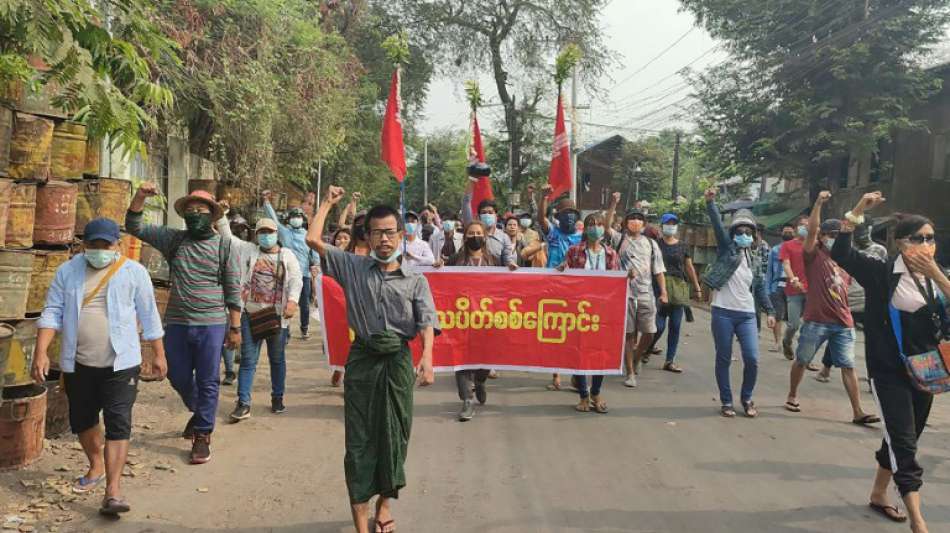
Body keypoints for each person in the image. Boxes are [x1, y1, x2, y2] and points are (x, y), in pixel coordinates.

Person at [306, 186, 437, 533]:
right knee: (360, 441)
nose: (384, 239)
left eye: (390, 232)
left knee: (396, 437)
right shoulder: (352, 266)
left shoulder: (415, 280)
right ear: (367, 236)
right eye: (377, 232)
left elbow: (426, 322)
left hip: (397, 363)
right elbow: (313, 239)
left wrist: (427, 359)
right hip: (363, 360)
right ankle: (361, 524)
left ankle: (384, 504)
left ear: (400, 236)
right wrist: (328, 203)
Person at [831, 191, 949, 533]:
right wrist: (857, 211)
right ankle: (919, 522)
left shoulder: (938, 279)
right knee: (904, 444)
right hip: (888, 373)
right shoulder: (880, 273)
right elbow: (842, 252)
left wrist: (938, 275)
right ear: (900, 244)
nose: (927, 245)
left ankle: (878, 493)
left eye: (931, 239)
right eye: (919, 239)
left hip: (926, 371)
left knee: (902, 435)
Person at [31, 218, 166, 516]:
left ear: (117, 245)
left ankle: (113, 491)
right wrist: (40, 352)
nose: (100, 250)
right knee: (82, 419)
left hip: (122, 363)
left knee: (119, 422)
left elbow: (149, 314)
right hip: (78, 363)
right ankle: (96, 464)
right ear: (83, 245)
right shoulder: (68, 271)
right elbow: (52, 311)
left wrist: (158, 354)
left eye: (106, 245)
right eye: (94, 245)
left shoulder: (134, 272)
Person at [126, 183, 241, 464]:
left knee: (208, 379)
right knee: (175, 374)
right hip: (177, 322)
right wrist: (140, 197)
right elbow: (135, 227)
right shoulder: (174, 240)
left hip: (212, 323)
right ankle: (201, 409)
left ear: (213, 215)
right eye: (190, 210)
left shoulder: (225, 245)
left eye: (201, 210)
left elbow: (233, 286)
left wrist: (235, 327)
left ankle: (202, 434)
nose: (195, 214)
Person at [783, 192, 879, 425]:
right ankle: (792, 395)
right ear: (822, 237)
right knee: (802, 360)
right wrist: (817, 204)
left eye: (838, 235)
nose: (835, 238)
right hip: (816, 319)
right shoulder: (813, 255)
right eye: (831, 235)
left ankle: (857, 411)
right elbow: (813, 230)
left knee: (848, 366)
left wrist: (861, 208)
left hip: (843, 321)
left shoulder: (846, 258)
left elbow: (850, 227)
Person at [218, 217, 303, 421]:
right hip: (250, 315)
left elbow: (295, 279)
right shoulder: (249, 250)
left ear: (276, 234)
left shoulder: (287, 255)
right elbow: (228, 238)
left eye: (269, 232)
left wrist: (292, 301)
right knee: (248, 360)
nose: (266, 236)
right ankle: (244, 403)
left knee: (277, 359)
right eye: (261, 232)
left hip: (277, 317)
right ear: (256, 235)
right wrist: (221, 216)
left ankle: (277, 397)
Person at [702, 188, 775, 418]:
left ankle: (747, 397)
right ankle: (726, 401)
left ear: (754, 235)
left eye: (748, 231)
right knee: (723, 357)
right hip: (723, 312)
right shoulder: (727, 250)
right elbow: (716, 224)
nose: (744, 234)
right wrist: (711, 202)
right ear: (733, 233)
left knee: (752, 359)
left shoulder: (754, 259)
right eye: (740, 230)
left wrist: (770, 311)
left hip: (747, 314)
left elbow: (761, 287)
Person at [556, 212, 619, 413]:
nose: (595, 228)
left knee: (600, 352)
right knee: (580, 351)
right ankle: (583, 395)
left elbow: (616, 281)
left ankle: (596, 392)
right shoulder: (574, 251)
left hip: (602, 311)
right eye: (591, 224)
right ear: (586, 228)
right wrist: (562, 270)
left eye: (599, 224)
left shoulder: (610, 254)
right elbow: (567, 276)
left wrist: (629, 277)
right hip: (579, 310)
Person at [604, 192, 667, 388]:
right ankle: (630, 372)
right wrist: (614, 203)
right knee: (629, 335)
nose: (636, 222)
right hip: (625, 295)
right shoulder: (619, 239)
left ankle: (638, 357)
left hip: (646, 292)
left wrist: (663, 292)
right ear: (626, 222)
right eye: (632, 218)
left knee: (649, 332)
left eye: (640, 219)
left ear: (645, 223)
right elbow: (606, 226)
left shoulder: (651, 244)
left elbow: (659, 270)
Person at [442, 220, 501, 421]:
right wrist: (438, 268)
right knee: (461, 358)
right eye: (471, 233)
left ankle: (481, 379)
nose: (474, 236)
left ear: (484, 236)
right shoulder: (455, 260)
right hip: (461, 318)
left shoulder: (494, 260)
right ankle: (467, 399)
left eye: (478, 233)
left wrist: (512, 270)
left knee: (486, 355)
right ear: (465, 237)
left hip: (486, 319)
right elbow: (443, 283)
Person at [816, 222, 888, 383]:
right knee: (839, 333)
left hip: (868, 298)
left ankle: (873, 377)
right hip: (849, 299)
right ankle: (826, 368)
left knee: (874, 340)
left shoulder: (879, 250)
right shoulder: (845, 248)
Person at [651, 213, 702, 373]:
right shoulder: (655, 244)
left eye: (674, 223)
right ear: (662, 225)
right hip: (658, 288)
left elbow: (689, 267)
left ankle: (670, 360)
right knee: (658, 326)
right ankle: (647, 348)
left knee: (675, 326)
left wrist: (697, 287)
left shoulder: (682, 246)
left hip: (678, 289)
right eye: (668, 223)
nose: (671, 226)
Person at [263, 193, 318, 339]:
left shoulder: (307, 235)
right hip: (285, 274)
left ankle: (304, 328)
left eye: (299, 217)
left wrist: (316, 265)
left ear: (303, 220)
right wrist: (267, 202)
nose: (296, 219)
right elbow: (274, 219)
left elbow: (315, 252)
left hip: (304, 274)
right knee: (284, 303)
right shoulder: (285, 232)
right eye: (294, 216)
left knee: (304, 305)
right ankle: (285, 332)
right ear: (289, 219)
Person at [460, 164, 516, 268]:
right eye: (484, 212)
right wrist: (473, 178)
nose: (487, 215)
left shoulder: (504, 238)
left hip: (492, 281)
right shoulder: (472, 229)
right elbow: (466, 201)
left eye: (490, 212)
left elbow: (508, 259)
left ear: (496, 215)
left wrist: (511, 264)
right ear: (478, 216)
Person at [221, 213, 251, 385]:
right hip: (230, 297)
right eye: (237, 229)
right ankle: (230, 371)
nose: (241, 232)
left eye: (244, 229)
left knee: (239, 333)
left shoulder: (252, 249)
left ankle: (237, 365)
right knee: (229, 334)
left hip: (246, 299)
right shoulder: (226, 245)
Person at [781, 215, 811, 364]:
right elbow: (786, 264)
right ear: (796, 228)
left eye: (807, 225)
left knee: (810, 326)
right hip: (794, 290)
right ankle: (787, 341)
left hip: (812, 291)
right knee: (794, 324)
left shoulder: (815, 245)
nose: (805, 227)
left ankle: (806, 357)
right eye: (802, 225)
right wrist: (793, 280)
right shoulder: (788, 245)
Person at [766, 223, 796, 353]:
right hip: (777, 286)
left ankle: (787, 341)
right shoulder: (775, 250)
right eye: (786, 231)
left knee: (793, 319)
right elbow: (769, 272)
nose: (788, 233)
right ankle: (777, 342)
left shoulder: (799, 249)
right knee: (777, 315)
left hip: (794, 286)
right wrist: (768, 289)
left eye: (790, 231)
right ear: (782, 234)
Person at [538, 184, 582, 269]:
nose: (569, 216)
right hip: (553, 277)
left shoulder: (582, 237)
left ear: (577, 217)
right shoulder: (553, 233)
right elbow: (541, 219)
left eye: (572, 213)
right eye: (565, 213)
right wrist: (544, 197)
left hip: (574, 278)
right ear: (558, 217)